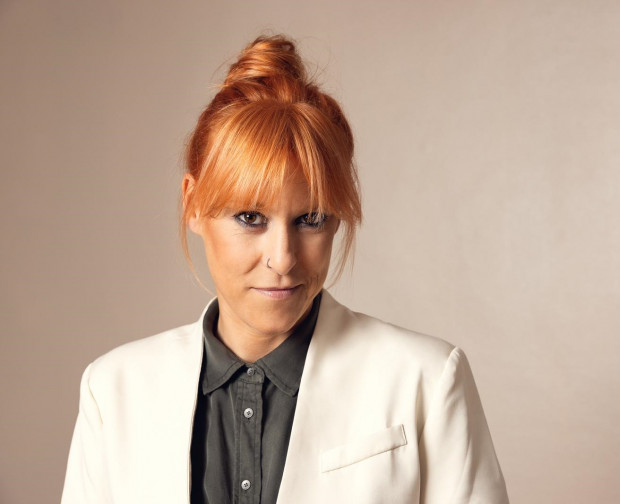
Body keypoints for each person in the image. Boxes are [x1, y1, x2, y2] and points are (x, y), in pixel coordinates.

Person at [61, 34, 509, 504]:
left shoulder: (426, 380)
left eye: (310, 219)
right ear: (192, 204)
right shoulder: (113, 390)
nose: (284, 258)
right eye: (250, 217)